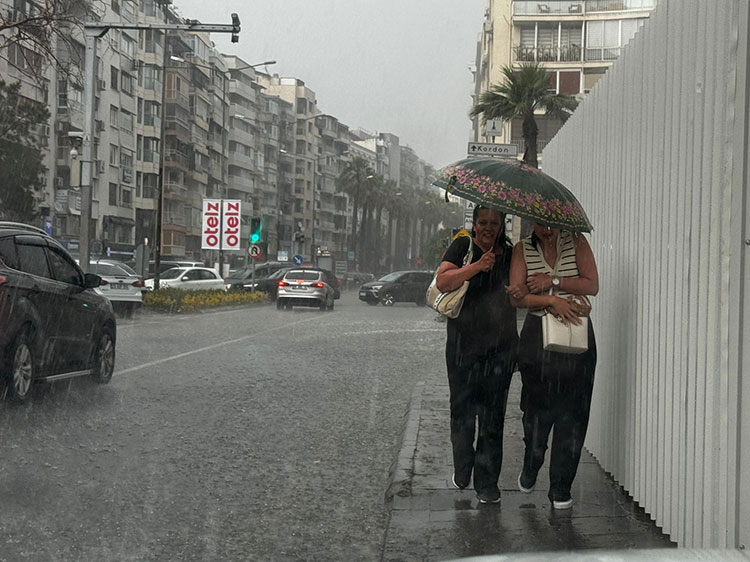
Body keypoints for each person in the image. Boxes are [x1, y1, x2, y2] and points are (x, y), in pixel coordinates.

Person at [505, 223, 599, 510]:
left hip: (577, 333)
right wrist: (550, 300)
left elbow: (592, 284)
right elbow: (516, 297)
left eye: (550, 224)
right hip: (537, 337)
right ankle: (532, 462)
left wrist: (553, 281)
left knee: (574, 413)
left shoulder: (577, 242)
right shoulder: (522, 249)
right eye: (539, 222)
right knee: (536, 410)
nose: (545, 229)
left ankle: (561, 487)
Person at [435, 206, 518, 504]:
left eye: (494, 223)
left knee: (493, 418)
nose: (487, 228)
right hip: (462, 348)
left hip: (501, 349)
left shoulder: (510, 253)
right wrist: (476, 266)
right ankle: (463, 466)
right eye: (482, 222)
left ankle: (487, 483)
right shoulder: (462, 245)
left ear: (502, 225)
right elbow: (443, 282)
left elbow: (517, 291)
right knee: (462, 412)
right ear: (474, 223)